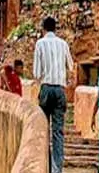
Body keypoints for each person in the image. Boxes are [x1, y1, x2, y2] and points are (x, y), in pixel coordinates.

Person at [34, 16, 74, 173]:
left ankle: (44, 165)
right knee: (58, 131)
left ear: (44, 29)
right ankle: (57, 168)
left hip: (46, 88)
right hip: (59, 89)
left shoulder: (40, 44)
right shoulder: (63, 44)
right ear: (55, 28)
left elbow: (37, 73)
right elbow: (71, 66)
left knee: (43, 130)